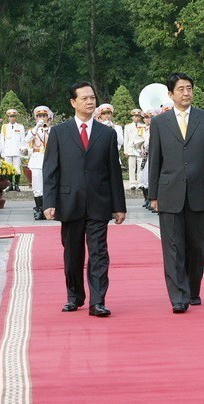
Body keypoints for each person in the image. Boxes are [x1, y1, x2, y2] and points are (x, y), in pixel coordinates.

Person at [43, 81, 127, 317]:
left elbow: (113, 172)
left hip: (99, 203)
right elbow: (51, 170)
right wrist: (49, 202)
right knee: (72, 254)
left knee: (99, 252)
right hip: (69, 203)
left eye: (92, 98)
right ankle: (74, 296)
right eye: (85, 98)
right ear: (73, 102)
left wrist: (119, 206)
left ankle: (97, 301)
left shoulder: (107, 133)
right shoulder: (59, 132)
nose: (90, 102)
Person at [148, 72, 204, 313]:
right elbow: (155, 160)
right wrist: (153, 195)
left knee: (196, 245)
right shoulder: (160, 123)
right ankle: (177, 297)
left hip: (200, 192)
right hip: (169, 193)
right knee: (172, 247)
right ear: (171, 95)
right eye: (180, 89)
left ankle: (193, 289)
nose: (186, 93)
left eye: (189, 88)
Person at [26, 106, 53, 220]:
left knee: (49, 185)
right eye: (39, 116)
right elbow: (27, 140)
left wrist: (46, 131)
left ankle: (49, 208)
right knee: (37, 186)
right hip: (37, 159)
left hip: (49, 158)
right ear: (36, 118)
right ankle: (39, 209)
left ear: (48, 117)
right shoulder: (32, 131)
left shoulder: (52, 130)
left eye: (44, 116)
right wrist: (37, 127)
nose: (42, 118)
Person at [0, 109, 25, 191]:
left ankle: (17, 185)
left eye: (13, 116)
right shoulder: (4, 127)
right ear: (8, 117)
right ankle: (10, 184)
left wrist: (22, 150)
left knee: (17, 169)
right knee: (9, 169)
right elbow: (2, 139)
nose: (12, 118)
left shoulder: (20, 127)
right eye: (10, 116)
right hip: (7, 151)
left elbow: (23, 140)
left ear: (16, 117)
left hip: (17, 151)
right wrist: (2, 151)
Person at [124, 109, 145, 189]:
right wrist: (126, 150)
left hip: (139, 148)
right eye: (135, 116)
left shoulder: (143, 126)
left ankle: (140, 182)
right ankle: (132, 183)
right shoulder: (128, 126)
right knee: (132, 166)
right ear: (132, 117)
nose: (136, 118)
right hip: (131, 148)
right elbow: (126, 139)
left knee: (140, 166)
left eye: (138, 116)